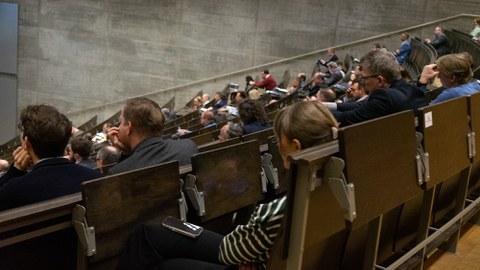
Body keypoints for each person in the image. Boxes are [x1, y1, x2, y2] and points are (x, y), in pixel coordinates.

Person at [116, 101, 339, 270]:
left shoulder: (277, 212)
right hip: (257, 252)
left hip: (237, 252)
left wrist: (249, 255)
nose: (277, 146)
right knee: (156, 235)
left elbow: (230, 252)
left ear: (296, 146)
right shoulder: (336, 188)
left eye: (279, 138)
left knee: (151, 245)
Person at [0, 104, 102, 211]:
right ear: (65, 141)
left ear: (26, 143)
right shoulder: (96, 179)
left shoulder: (14, 190)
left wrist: (15, 171)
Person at [332, 50, 427, 127]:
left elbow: (348, 118)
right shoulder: (411, 88)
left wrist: (319, 110)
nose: (363, 82)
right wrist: (328, 105)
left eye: (364, 78)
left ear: (380, 80)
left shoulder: (384, 97)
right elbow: (363, 105)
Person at [108, 97, 198, 174]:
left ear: (129, 127)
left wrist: (124, 156)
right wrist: (127, 153)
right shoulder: (189, 146)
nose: (118, 128)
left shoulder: (119, 172)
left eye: (121, 122)